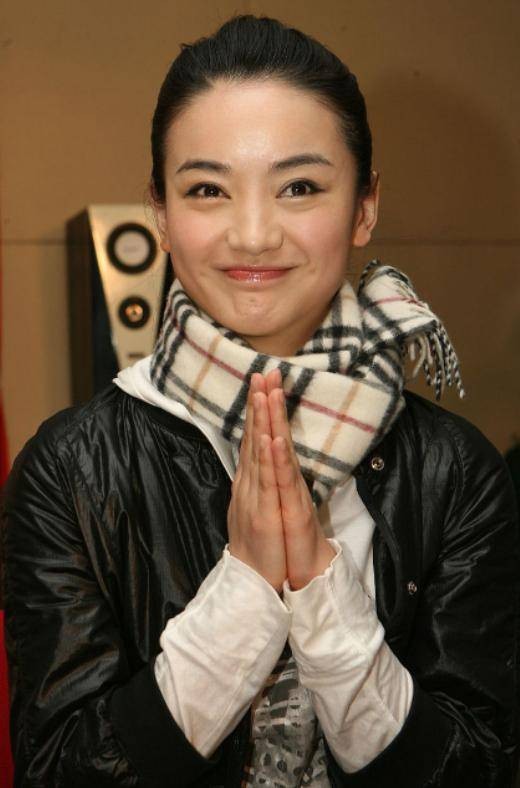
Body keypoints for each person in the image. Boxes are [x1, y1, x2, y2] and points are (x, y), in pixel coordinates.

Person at [2, 14, 519, 788]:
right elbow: (56, 769)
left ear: (365, 207)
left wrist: (320, 592)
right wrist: (246, 587)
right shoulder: (70, 469)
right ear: (160, 213)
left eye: (299, 187)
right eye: (207, 189)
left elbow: (481, 766)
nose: (251, 234)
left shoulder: (456, 471)